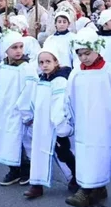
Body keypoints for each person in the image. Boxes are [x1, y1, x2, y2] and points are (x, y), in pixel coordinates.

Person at [64, 28, 111, 207]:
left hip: (104, 121)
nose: (84, 58)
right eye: (80, 54)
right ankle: (92, 188)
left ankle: (88, 190)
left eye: (87, 53)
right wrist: (68, 116)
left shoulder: (110, 71)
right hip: (83, 121)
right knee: (85, 153)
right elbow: (69, 97)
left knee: (99, 153)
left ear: (97, 49)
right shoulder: (76, 72)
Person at [17, 47, 76, 199]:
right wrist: (29, 116)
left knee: (63, 153)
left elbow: (60, 104)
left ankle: (75, 177)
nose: (44, 65)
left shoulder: (60, 81)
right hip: (42, 124)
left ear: (56, 62)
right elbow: (34, 100)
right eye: (41, 62)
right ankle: (37, 184)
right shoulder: (41, 79)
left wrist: (61, 125)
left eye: (48, 61)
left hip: (57, 125)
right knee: (38, 153)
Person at [0, 32, 35, 186]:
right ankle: (13, 169)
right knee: (7, 140)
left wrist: (27, 113)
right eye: (14, 47)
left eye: (21, 47)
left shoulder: (26, 68)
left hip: (20, 112)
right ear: (6, 50)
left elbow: (30, 91)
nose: (18, 51)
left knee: (21, 141)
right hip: (5, 110)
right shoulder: (1, 67)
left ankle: (26, 170)